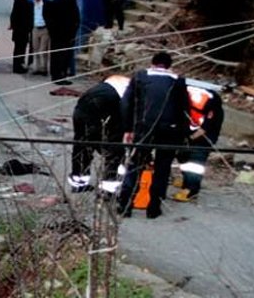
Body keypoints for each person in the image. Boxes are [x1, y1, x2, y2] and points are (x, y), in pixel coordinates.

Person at [118, 52, 190, 219]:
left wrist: (128, 129)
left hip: (143, 128)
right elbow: (184, 110)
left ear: (152, 63)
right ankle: (154, 208)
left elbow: (126, 103)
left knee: (135, 165)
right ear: (169, 66)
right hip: (169, 131)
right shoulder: (178, 81)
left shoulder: (140, 77)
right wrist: (182, 135)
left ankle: (125, 205)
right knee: (162, 170)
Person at [69, 75, 130, 193]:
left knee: (83, 144)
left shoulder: (106, 85)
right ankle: (108, 188)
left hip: (82, 108)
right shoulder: (134, 90)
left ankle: (78, 182)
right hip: (107, 104)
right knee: (115, 148)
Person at [172, 86, 224, 202]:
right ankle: (186, 178)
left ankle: (191, 190)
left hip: (206, 135)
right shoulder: (181, 97)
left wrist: (190, 138)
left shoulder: (212, 106)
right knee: (182, 155)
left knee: (196, 161)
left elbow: (205, 129)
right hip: (190, 129)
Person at [48, 0, 80, 86]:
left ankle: (55, 75)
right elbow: (77, 20)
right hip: (68, 36)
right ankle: (62, 75)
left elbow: (49, 19)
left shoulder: (54, 3)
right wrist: (73, 33)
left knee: (55, 55)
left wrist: (52, 32)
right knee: (65, 56)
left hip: (56, 35)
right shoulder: (72, 3)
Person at [9, 0, 33, 74]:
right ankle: (18, 66)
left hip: (20, 29)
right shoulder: (20, 0)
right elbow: (16, 14)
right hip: (21, 30)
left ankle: (18, 65)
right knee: (20, 48)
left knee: (19, 48)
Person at [30, 0, 52, 75]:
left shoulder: (47, 3)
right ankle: (37, 67)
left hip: (44, 28)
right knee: (35, 48)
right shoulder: (31, 3)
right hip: (35, 28)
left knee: (43, 49)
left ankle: (44, 68)